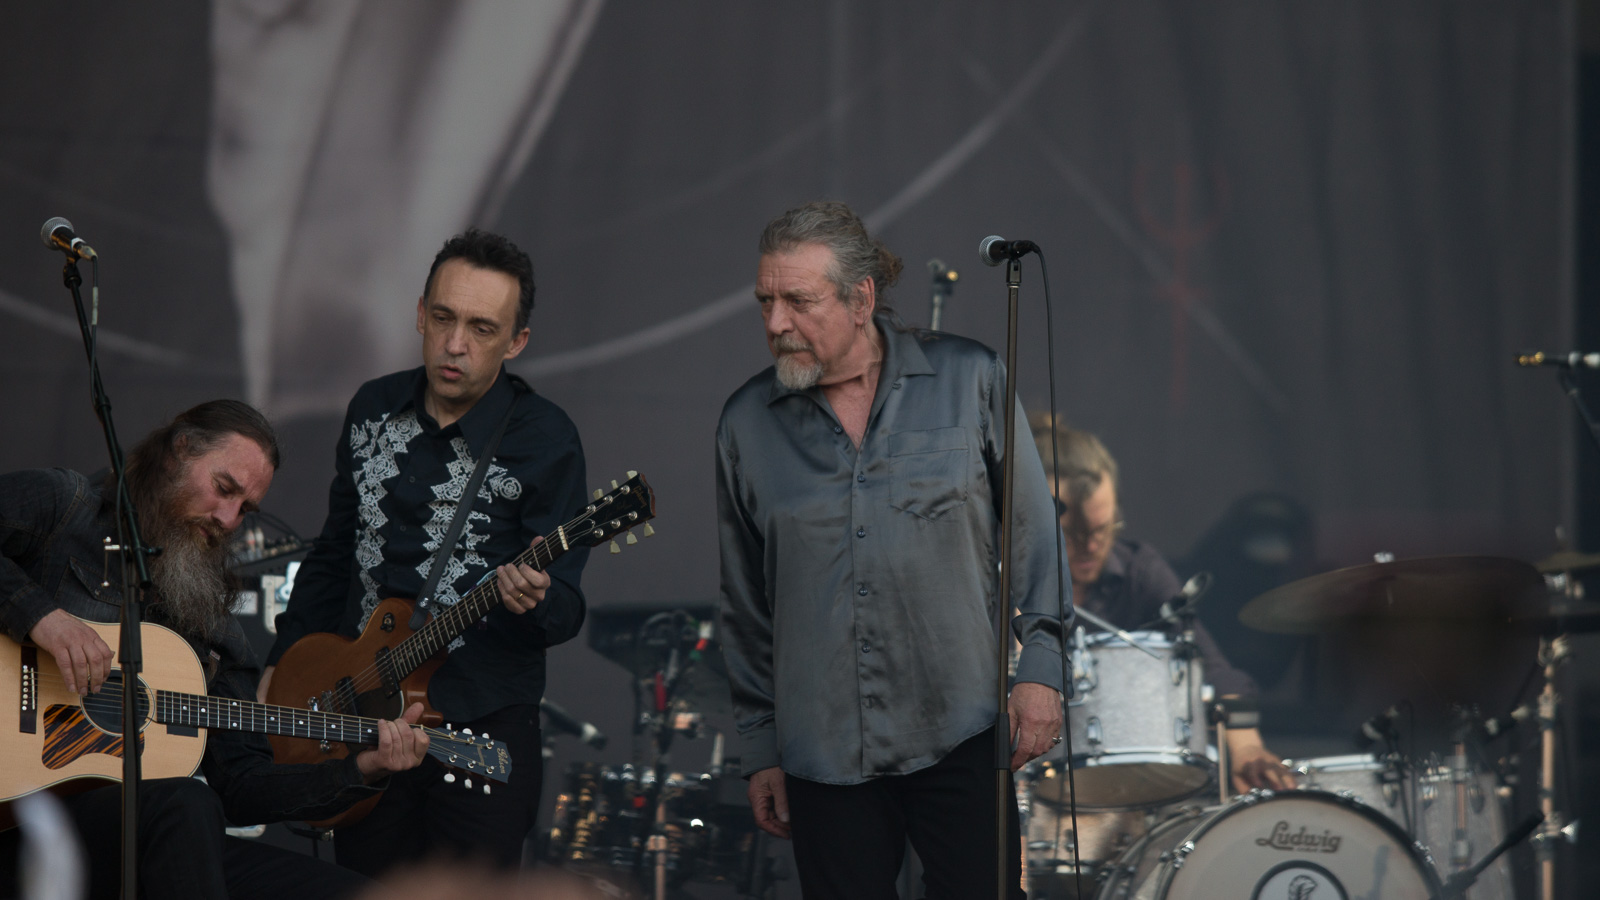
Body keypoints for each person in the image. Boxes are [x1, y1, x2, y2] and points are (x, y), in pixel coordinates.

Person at [716, 201, 1069, 900]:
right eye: (764, 302)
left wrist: (1042, 669)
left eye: (798, 301)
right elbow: (745, 604)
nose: (776, 323)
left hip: (960, 725)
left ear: (861, 299)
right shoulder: (745, 423)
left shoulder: (970, 378)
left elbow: (1035, 534)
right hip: (821, 749)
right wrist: (759, 747)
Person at [0, 399, 430, 900]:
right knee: (186, 805)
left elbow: (244, 785)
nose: (228, 519)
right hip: (28, 823)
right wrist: (41, 617)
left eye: (245, 509)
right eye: (224, 489)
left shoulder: (210, 621)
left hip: (144, 836)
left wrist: (362, 768)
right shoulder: (66, 506)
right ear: (178, 451)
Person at [261, 228, 589, 874]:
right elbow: (335, 552)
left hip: (480, 723)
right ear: (419, 314)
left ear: (516, 342)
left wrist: (536, 600)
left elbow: (567, 610)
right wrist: (284, 659)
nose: (455, 344)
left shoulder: (547, 439)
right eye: (443, 318)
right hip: (365, 711)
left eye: (482, 328)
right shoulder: (373, 407)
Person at [1030, 417, 1295, 793]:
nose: (1090, 547)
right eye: (1072, 534)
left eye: (1103, 529)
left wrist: (1247, 748)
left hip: (1130, 784)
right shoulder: (1004, 583)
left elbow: (1207, 663)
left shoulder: (1139, 570)